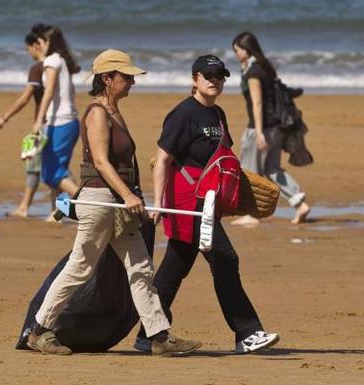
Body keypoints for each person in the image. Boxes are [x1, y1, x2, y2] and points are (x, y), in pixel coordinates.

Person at [28, 49, 202, 356]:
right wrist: (129, 195)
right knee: (81, 267)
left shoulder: (114, 110)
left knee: (140, 269)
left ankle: (159, 336)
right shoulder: (97, 112)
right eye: (127, 77)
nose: (132, 81)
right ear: (108, 79)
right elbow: (101, 162)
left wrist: (132, 193)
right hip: (99, 200)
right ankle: (40, 330)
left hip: (118, 201)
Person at [133, 55, 279, 354]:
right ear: (195, 79)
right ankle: (247, 332)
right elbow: (162, 159)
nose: (215, 80)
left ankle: (149, 334)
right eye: (208, 75)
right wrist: (159, 204)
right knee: (226, 259)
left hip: (209, 202)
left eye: (220, 76)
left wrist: (231, 200)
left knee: (174, 267)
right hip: (189, 203)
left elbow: (220, 162)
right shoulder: (183, 114)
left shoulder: (218, 114)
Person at [231, 31, 311, 226]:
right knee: (272, 169)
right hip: (277, 127)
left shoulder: (253, 73)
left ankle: (251, 214)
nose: (235, 54)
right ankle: (299, 203)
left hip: (262, 128)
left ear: (246, 50)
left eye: (237, 50)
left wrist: (258, 132)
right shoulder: (265, 68)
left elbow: (257, 104)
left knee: (249, 171)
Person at [0, 26, 50, 218]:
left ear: (36, 45)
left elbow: (25, 98)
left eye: (29, 48)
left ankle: (25, 208)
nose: (29, 53)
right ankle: (54, 209)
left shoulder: (38, 68)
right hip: (61, 122)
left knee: (35, 166)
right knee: (54, 168)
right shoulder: (58, 66)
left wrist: (4, 118)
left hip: (43, 124)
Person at [31, 26, 80, 207]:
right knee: (58, 171)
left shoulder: (52, 61)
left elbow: (49, 90)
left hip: (60, 122)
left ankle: (85, 202)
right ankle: (58, 213)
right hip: (69, 122)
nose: (39, 45)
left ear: (48, 42)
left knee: (53, 174)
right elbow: (71, 90)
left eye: (41, 41)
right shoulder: (63, 61)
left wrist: (39, 120)